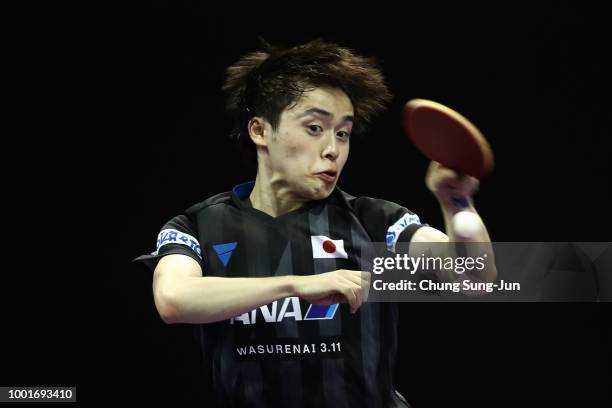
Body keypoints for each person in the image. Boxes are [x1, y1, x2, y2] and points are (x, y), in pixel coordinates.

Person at [135, 38, 495, 408]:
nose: (333, 149)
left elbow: (472, 279)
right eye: (314, 128)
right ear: (260, 130)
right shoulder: (198, 225)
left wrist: (456, 204)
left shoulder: (373, 220)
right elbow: (174, 299)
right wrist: (298, 285)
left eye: (343, 133)